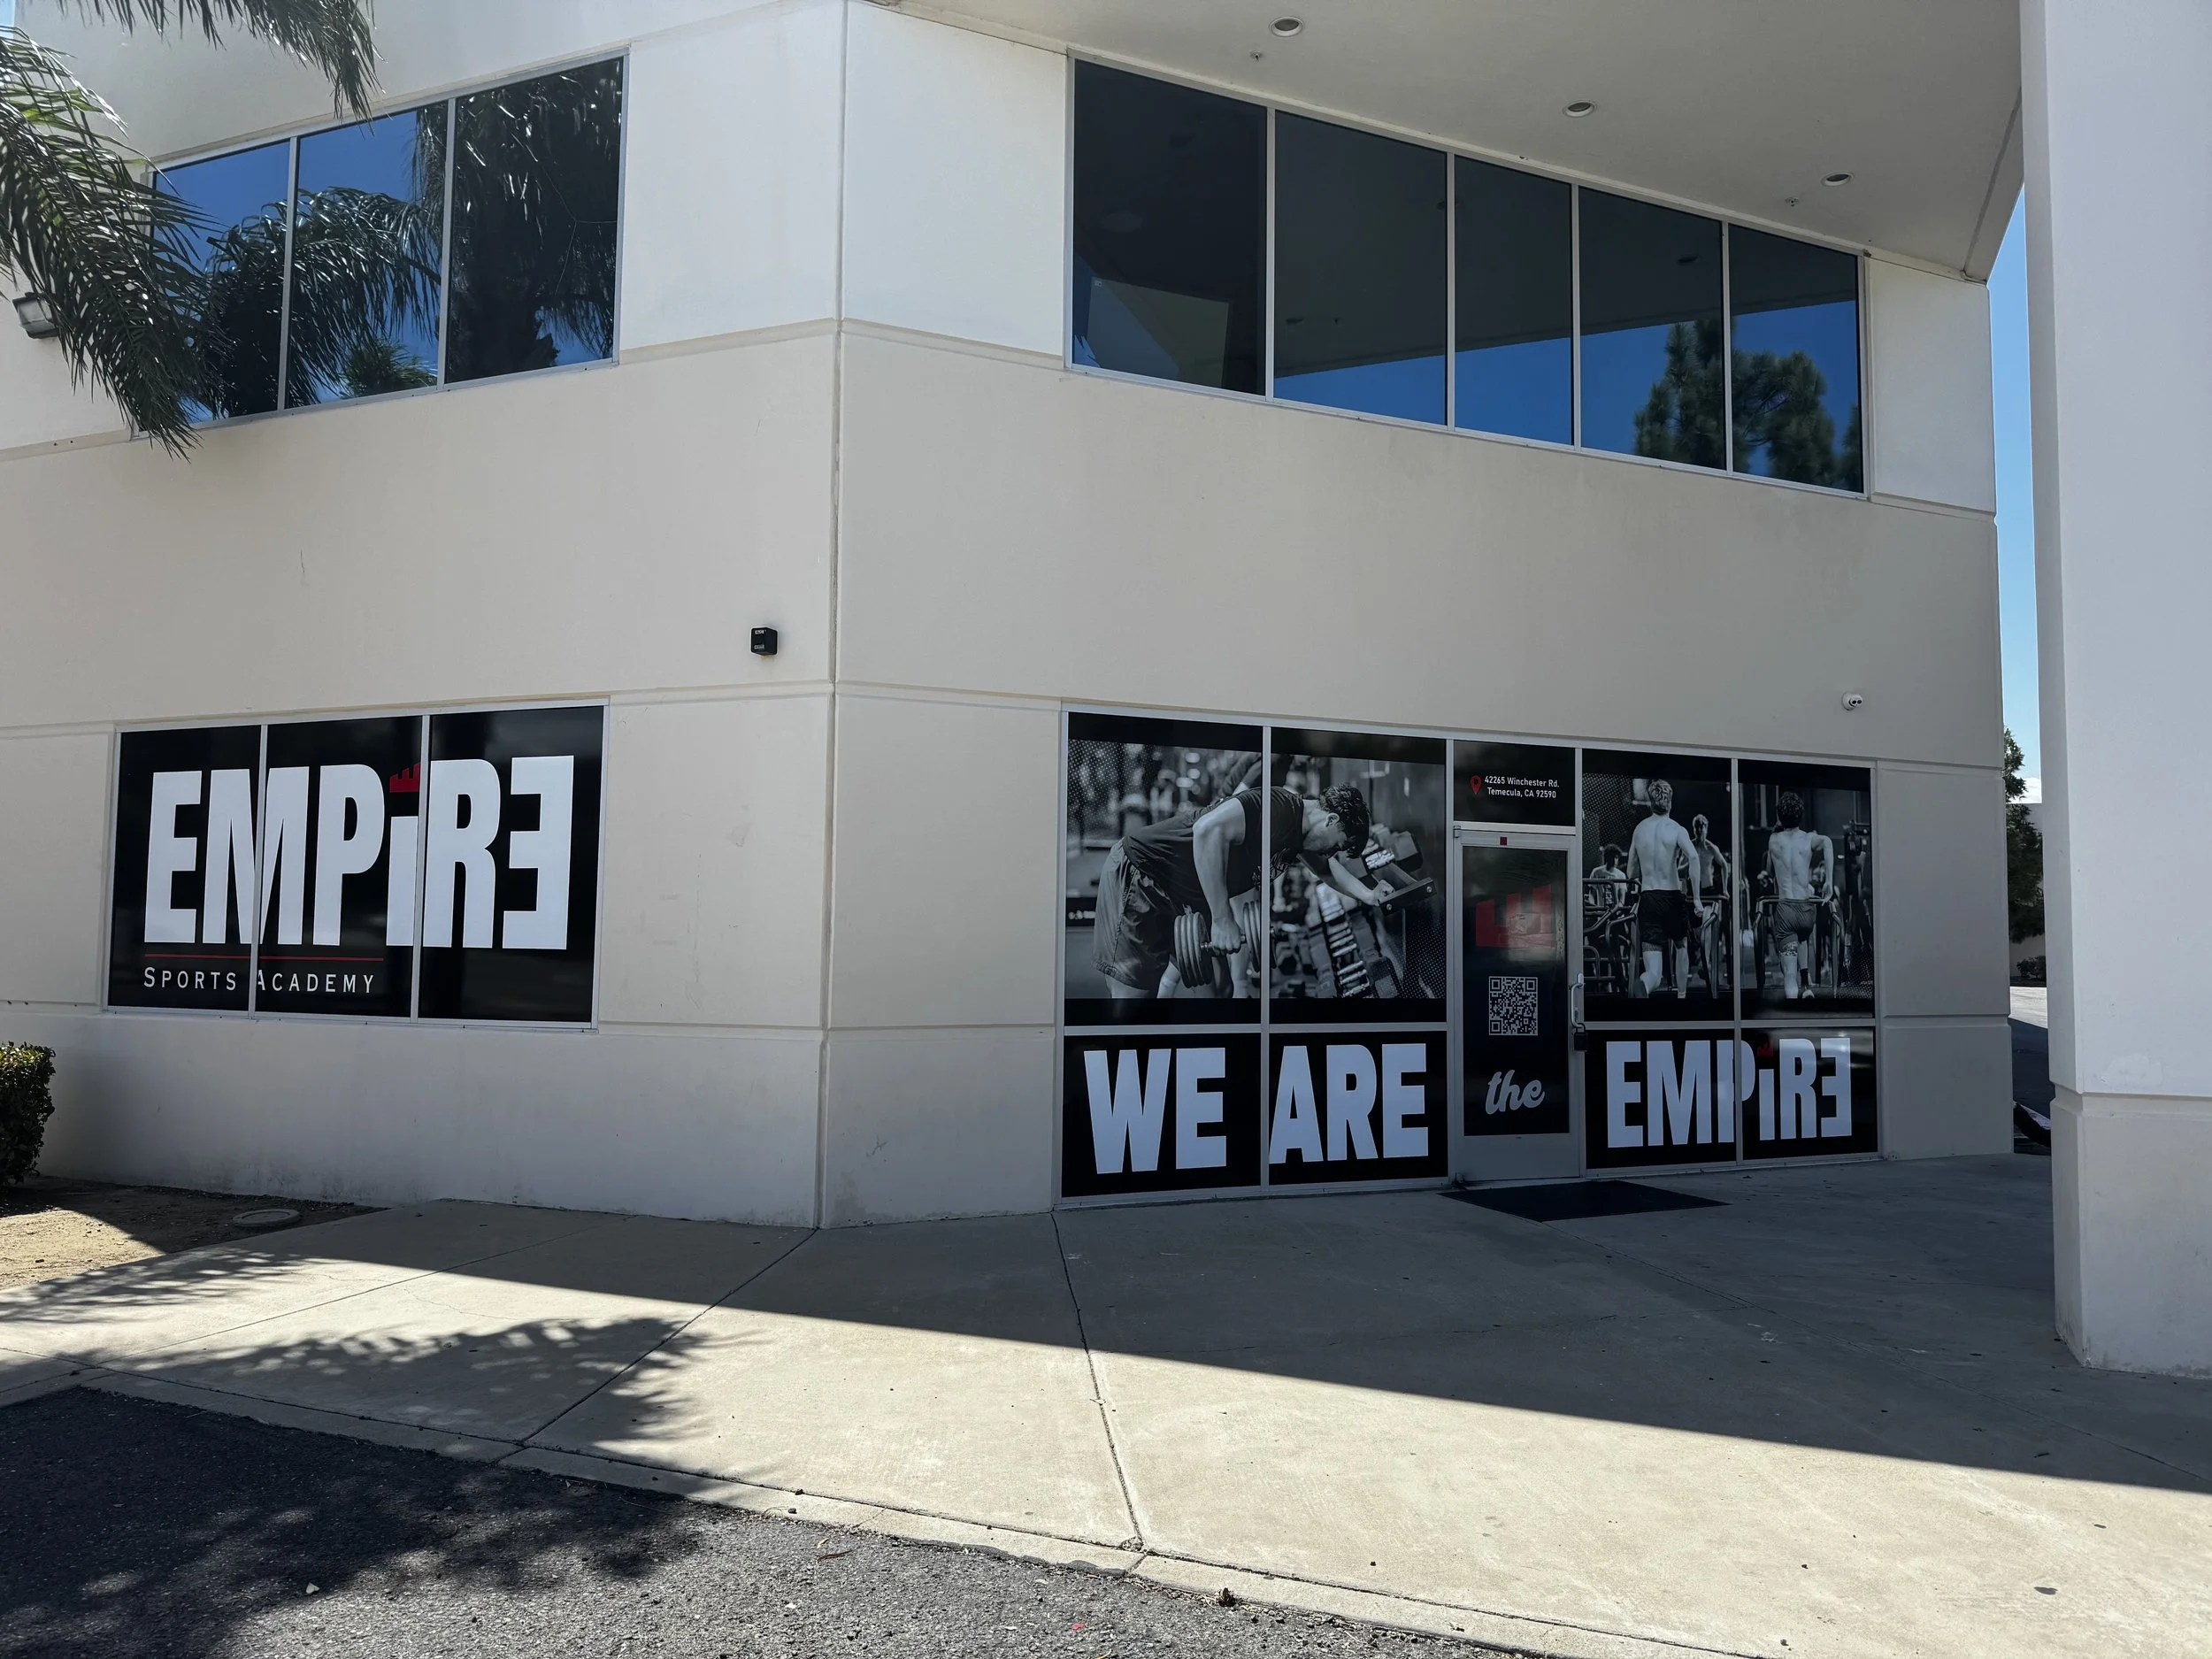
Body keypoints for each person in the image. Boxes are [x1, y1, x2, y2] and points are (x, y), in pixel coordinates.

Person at [1092, 780, 1379, 999]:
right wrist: (1222, 919)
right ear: (1331, 821)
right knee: (1132, 1000)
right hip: (1142, 874)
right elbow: (1207, 830)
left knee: (1219, 987)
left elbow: (1328, 872)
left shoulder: (1300, 835)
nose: (1330, 853)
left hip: (1181, 894)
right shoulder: (1277, 808)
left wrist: (1370, 894)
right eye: (1336, 845)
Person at [1625, 780, 1701, 998]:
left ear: (1650, 802)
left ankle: (1646, 983)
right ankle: (1681, 996)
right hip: (1672, 898)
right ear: (1670, 802)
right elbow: (1694, 857)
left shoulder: (1640, 830)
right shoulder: (1676, 829)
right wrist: (1697, 900)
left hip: (1648, 898)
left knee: (1655, 973)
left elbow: (1631, 872)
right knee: (1681, 946)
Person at [1764, 791, 1833, 1000]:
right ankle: (1806, 984)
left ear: (1780, 815)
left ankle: (1794, 1004)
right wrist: (1828, 881)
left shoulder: (1774, 840)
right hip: (1806, 910)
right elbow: (1828, 843)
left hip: (1786, 909)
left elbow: (1768, 871)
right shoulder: (1809, 838)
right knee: (1802, 938)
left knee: (1788, 976)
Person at [1688, 813, 1732, 994]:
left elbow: (1724, 865)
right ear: (1694, 829)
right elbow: (1680, 866)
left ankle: (1710, 966)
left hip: (1709, 892)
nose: (1699, 830)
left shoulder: (1710, 848)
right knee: (1696, 931)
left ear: (1706, 829)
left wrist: (1726, 888)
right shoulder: (1689, 846)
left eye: (1702, 827)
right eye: (1697, 827)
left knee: (1711, 929)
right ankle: (1702, 960)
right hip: (1694, 893)